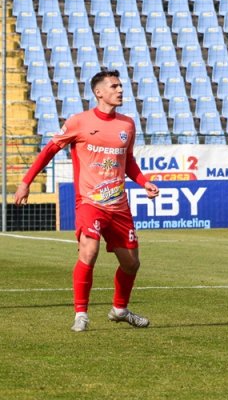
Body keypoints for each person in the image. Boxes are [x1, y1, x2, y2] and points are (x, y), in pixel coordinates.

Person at [15, 69, 159, 332]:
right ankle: (81, 313)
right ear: (99, 92)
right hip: (89, 203)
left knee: (131, 263)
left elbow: (128, 163)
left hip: (119, 207)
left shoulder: (127, 124)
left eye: (120, 86)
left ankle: (119, 309)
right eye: (114, 86)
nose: (120, 90)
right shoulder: (79, 122)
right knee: (89, 251)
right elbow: (48, 151)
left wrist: (143, 181)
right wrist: (25, 182)